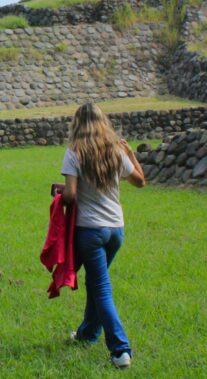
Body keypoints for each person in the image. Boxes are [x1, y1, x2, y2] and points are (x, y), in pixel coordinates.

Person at [60, 102, 146, 370]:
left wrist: (59, 194)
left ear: (78, 124)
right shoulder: (116, 151)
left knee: (101, 289)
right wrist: (130, 153)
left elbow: (72, 195)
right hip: (116, 230)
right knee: (97, 285)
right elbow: (140, 180)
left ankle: (120, 350)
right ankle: (88, 333)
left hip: (90, 230)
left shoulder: (74, 153)